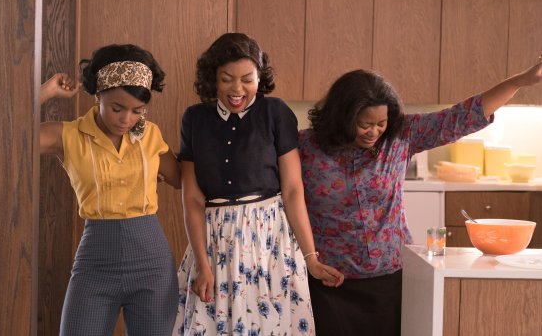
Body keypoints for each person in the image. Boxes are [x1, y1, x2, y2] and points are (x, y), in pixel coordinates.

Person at [298, 59, 542, 335]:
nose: (374, 132)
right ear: (342, 116)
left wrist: (518, 81)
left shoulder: (401, 136)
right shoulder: (305, 147)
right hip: (329, 281)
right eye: (365, 124)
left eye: (381, 123)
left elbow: (461, 117)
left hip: (392, 278)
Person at [173, 32, 344, 336]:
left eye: (247, 79)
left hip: (270, 244)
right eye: (227, 79)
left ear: (259, 77)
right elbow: (193, 199)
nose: (237, 89)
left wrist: (311, 259)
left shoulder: (275, 113)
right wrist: (203, 264)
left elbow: (292, 191)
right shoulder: (194, 119)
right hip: (214, 243)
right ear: (213, 79)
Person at [39, 44, 181, 336]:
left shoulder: (150, 134)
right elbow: (6, 133)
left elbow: (182, 178)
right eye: (117, 108)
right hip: (95, 263)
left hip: (152, 265)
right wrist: (45, 91)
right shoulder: (68, 136)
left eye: (137, 110)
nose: (126, 119)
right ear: (98, 95)